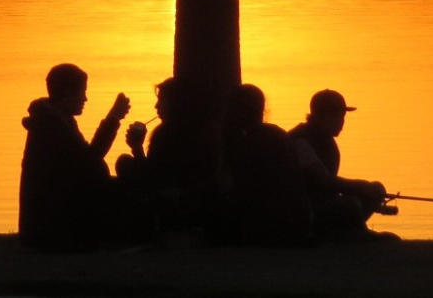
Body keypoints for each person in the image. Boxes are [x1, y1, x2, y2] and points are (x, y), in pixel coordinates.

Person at [18, 62, 131, 250]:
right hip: (49, 228)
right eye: (82, 92)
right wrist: (113, 118)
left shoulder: (59, 119)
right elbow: (90, 161)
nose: (85, 98)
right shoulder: (51, 126)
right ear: (69, 92)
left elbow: (86, 160)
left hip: (52, 217)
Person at [117, 76, 221, 233]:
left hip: (183, 199)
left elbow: (152, 177)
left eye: (162, 100)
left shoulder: (165, 134)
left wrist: (137, 148)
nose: (157, 106)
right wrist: (137, 147)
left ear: (176, 102)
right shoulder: (208, 130)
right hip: (189, 199)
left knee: (124, 163)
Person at [288, 88, 394, 240]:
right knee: (349, 204)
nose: (342, 122)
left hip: (321, 201)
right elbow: (323, 180)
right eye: (339, 116)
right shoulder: (301, 141)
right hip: (304, 207)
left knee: (376, 189)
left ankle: (345, 230)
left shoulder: (324, 139)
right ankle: (352, 233)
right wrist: (361, 186)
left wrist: (368, 189)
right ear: (324, 116)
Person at [220, 84, 314, 246]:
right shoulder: (278, 134)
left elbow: (238, 190)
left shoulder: (247, 142)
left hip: (267, 229)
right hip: (296, 225)